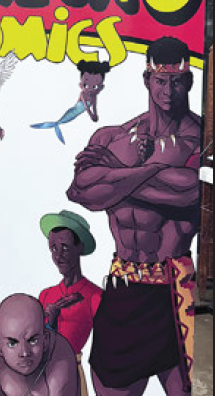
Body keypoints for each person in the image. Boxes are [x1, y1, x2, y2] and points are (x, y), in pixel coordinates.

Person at [67, 37, 201, 396]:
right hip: (124, 288)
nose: (169, 91)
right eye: (161, 81)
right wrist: (155, 173)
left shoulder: (203, 139)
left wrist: (116, 175)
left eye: (178, 82)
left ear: (189, 82)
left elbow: (191, 192)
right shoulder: (112, 137)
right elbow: (81, 189)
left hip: (177, 293)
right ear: (147, 80)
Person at [39, 210, 102, 396]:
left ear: (79, 247)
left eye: (65, 247)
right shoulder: (46, 295)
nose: (58, 256)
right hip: (41, 376)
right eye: (53, 249)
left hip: (71, 377)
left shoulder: (95, 296)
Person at [0, 293, 80, 396]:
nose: (24, 353)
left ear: (45, 340)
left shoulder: (60, 355)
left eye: (33, 341)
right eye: (12, 344)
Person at [31, 60, 111, 144]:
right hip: (74, 111)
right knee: (67, 117)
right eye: (86, 85)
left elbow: (94, 106)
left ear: (101, 87)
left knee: (68, 119)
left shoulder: (94, 96)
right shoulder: (83, 94)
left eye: (94, 86)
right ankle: (53, 124)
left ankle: (55, 124)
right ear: (81, 84)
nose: (90, 89)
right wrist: (91, 114)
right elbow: (86, 106)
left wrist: (95, 114)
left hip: (76, 114)